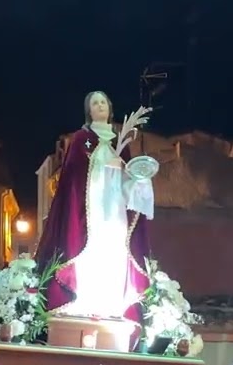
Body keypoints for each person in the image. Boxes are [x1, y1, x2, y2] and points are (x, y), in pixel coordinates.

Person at [35, 91, 154, 323]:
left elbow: (128, 182)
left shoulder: (122, 143)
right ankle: (85, 302)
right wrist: (103, 167)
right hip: (90, 212)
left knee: (114, 251)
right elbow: (74, 176)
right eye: (94, 103)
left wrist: (137, 178)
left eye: (103, 102)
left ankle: (111, 304)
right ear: (88, 111)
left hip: (116, 211)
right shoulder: (82, 138)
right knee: (92, 249)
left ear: (110, 108)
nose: (99, 106)